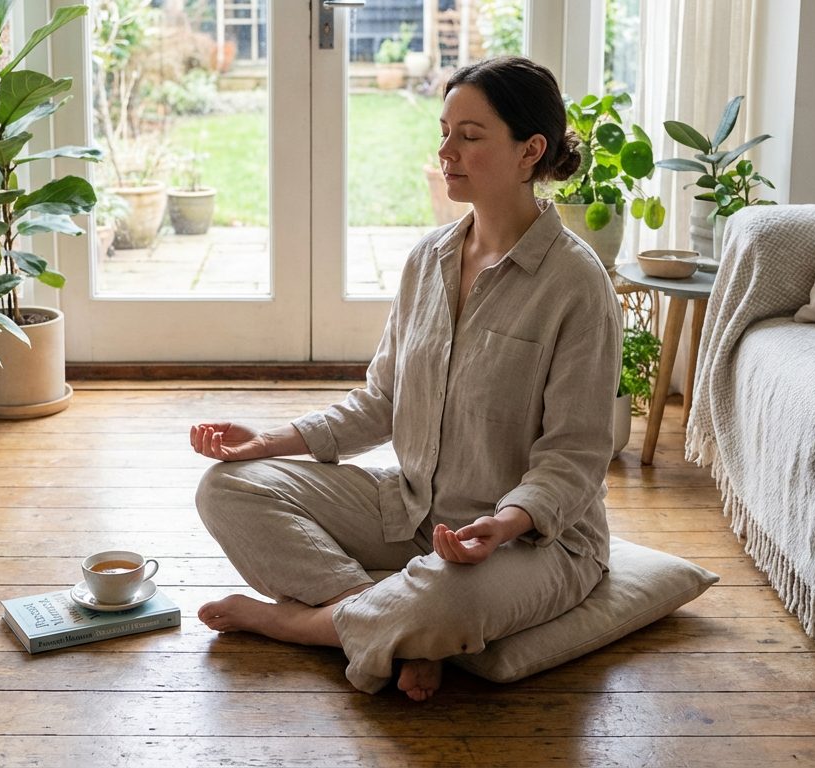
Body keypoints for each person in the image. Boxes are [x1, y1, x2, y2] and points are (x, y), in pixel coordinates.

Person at [188, 56, 621, 701]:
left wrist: (502, 525)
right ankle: (382, 618)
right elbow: (383, 401)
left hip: (533, 540)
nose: (446, 151)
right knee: (227, 487)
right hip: (414, 508)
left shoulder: (577, 285)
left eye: (470, 136)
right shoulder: (429, 258)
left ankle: (308, 625)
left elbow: (576, 455)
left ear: (531, 150)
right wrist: (269, 443)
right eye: (445, 131)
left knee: (446, 599)